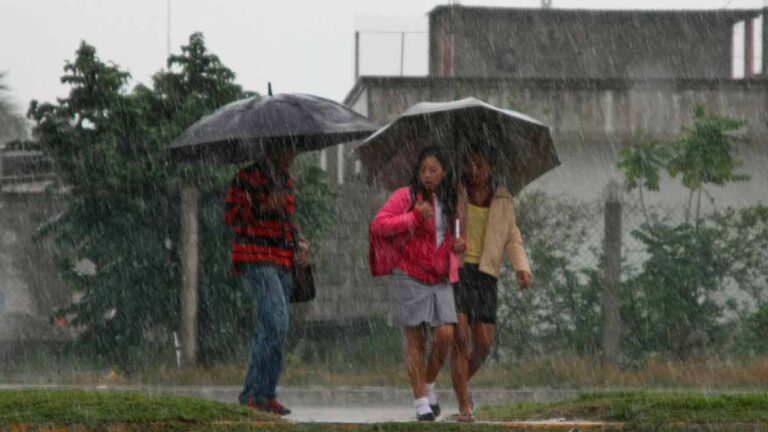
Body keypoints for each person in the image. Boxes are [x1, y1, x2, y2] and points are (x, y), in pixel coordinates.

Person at [369, 146, 463, 421]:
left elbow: (455, 237)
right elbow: (378, 225)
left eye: (434, 170)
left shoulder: (450, 199)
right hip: (409, 274)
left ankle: (429, 382)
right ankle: (421, 401)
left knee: (445, 334)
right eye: (423, 170)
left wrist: (460, 245)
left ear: (445, 172)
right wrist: (412, 217)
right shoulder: (406, 196)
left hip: (440, 276)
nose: (428, 175)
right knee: (415, 340)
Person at [223, 147, 309, 416]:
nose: (291, 155)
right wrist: (262, 207)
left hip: (282, 257)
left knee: (271, 328)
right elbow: (231, 217)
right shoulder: (245, 178)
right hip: (256, 257)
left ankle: (261, 394)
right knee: (276, 323)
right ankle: (255, 393)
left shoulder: (285, 181)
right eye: (287, 148)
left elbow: (286, 218)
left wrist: (299, 240)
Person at [449, 143, 532, 422]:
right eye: (469, 164)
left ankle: (460, 382)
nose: (473, 170)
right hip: (458, 270)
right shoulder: (453, 192)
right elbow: (437, 228)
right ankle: (464, 405)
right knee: (460, 337)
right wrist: (452, 242)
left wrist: (522, 267)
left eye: (480, 164)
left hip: (486, 272)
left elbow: (512, 235)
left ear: (491, 168)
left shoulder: (503, 198)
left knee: (483, 342)